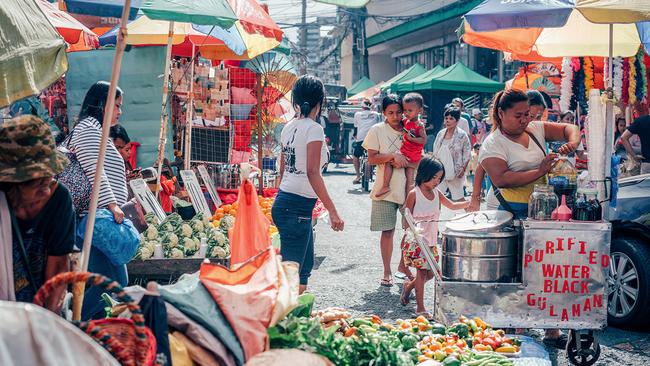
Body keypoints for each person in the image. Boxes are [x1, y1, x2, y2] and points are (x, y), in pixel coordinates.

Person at [469, 89, 581, 348]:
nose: (524, 120)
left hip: (542, 209)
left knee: (544, 269)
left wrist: (572, 144)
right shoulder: (493, 143)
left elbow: (569, 128)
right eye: (518, 115)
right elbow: (502, 178)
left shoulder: (535, 129)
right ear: (501, 113)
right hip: (506, 212)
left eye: (527, 114)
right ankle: (515, 324)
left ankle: (550, 329)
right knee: (513, 271)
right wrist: (539, 169)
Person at [272, 75, 344, 294]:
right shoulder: (313, 129)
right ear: (319, 102)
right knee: (291, 276)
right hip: (295, 208)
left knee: (303, 270)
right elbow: (313, 172)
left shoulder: (289, 127)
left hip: (289, 203)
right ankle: (281, 322)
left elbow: (283, 170)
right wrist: (333, 211)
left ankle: (293, 317)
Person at [0, 115, 76, 312]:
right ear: (12, 183)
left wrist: (48, 323)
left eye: (49, 179)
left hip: (39, 307)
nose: (46, 190)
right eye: (37, 183)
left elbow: (59, 267)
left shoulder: (59, 199)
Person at [70, 81, 129, 320]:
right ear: (102, 105)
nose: (119, 111)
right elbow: (95, 169)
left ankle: (89, 325)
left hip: (100, 220)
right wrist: (111, 203)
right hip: (93, 219)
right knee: (113, 282)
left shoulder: (97, 129)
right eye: (116, 105)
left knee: (114, 282)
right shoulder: (88, 129)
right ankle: (75, 323)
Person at [399, 156, 470, 318]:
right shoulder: (414, 194)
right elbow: (405, 219)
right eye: (434, 178)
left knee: (432, 274)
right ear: (424, 174)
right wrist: (410, 225)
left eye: (439, 178)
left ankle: (409, 287)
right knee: (423, 273)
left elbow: (452, 205)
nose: (437, 181)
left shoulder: (437, 193)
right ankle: (420, 308)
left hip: (431, 242)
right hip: (417, 242)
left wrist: (469, 202)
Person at [363, 94, 411, 287]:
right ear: (383, 113)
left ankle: (403, 266)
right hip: (385, 190)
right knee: (388, 232)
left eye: (399, 112)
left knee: (411, 232)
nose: (395, 116)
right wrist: (392, 156)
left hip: (409, 187)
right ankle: (387, 271)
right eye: (390, 112)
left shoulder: (410, 129)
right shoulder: (377, 130)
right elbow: (372, 158)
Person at [376, 93, 426, 199]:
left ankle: (385, 186)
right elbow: (395, 122)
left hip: (410, 154)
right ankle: (407, 200)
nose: (406, 113)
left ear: (420, 110)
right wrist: (387, 120)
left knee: (390, 162)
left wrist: (412, 139)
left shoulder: (419, 125)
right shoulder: (405, 120)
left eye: (410, 110)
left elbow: (423, 140)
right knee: (409, 180)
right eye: (405, 110)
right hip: (409, 154)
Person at [432, 108, 471, 201]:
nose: (448, 120)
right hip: (440, 171)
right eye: (446, 118)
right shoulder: (441, 134)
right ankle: (434, 215)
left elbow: (467, 153)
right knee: (436, 196)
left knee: (459, 197)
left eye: (451, 118)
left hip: (455, 171)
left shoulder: (462, 135)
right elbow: (435, 151)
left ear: (457, 121)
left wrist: (463, 169)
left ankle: (471, 214)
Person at [352, 99, 381, 184]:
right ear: (370, 106)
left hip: (361, 139)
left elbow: (355, 128)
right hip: (374, 139)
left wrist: (355, 135)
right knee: (378, 155)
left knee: (355, 156)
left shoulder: (357, 114)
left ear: (362, 107)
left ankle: (357, 176)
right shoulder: (376, 114)